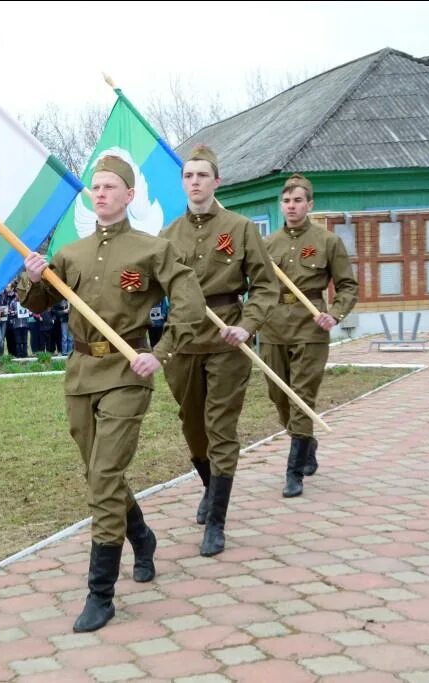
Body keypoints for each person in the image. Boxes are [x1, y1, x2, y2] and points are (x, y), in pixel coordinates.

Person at [21, 155, 205, 633]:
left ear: (128, 195)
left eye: (109, 187)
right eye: (95, 188)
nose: (100, 194)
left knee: (104, 476)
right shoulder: (72, 253)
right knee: (95, 470)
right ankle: (141, 536)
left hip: (129, 370)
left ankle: (100, 594)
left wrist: (160, 354)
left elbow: (189, 304)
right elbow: (39, 303)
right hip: (82, 372)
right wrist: (34, 274)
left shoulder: (152, 249)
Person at [160, 145, 279, 557]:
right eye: (189, 176)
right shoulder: (167, 235)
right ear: (183, 183)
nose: (195, 182)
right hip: (183, 339)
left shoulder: (241, 228)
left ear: (216, 181)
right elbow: (146, 288)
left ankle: (217, 521)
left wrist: (247, 327)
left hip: (228, 335)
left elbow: (265, 285)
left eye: (202, 176)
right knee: (192, 426)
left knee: (220, 426)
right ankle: (212, 489)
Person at [260, 174, 358, 497]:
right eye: (286, 201)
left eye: (298, 200)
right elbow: (257, 286)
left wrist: (336, 313)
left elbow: (347, 285)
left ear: (310, 204)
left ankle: (294, 472)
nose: (291, 206)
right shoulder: (268, 244)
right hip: (273, 325)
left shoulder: (328, 241)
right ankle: (307, 443)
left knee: (302, 396)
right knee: (278, 394)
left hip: (310, 326)